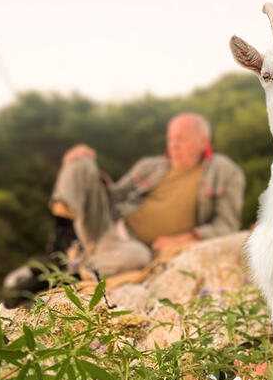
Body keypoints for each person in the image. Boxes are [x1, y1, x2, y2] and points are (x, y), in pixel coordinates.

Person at [49, 112, 245, 276]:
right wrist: (86, 173)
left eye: (182, 139)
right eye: (171, 139)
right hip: (106, 224)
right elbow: (114, 195)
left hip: (130, 246)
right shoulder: (150, 166)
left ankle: (74, 272)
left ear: (203, 142)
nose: (174, 145)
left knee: (139, 258)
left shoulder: (224, 172)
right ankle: (62, 229)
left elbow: (226, 225)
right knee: (82, 158)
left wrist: (183, 239)